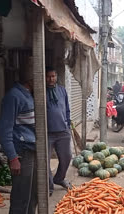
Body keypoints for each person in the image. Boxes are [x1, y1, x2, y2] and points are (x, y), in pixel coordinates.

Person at [0, 69, 37, 214]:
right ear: (30, 79)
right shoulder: (13, 96)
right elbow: (4, 130)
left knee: (32, 194)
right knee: (21, 196)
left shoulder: (29, 95)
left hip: (32, 150)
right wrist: (13, 157)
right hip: (22, 151)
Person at [45, 67, 72, 196]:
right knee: (45, 161)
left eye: (53, 76)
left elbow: (67, 108)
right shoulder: (40, 91)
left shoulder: (62, 90)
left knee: (67, 157)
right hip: (47, 133)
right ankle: (49, 186)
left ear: (56, 76)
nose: (51, 79)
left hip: (63, 130)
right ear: (44, 77)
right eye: (49, 76)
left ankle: (59, 178)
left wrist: (68, 122)